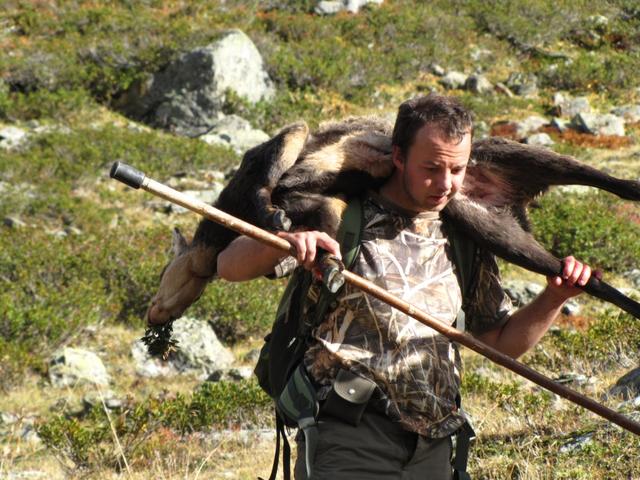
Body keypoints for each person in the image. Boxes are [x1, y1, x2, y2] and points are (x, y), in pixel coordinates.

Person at [216, 94, 594, 479]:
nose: (445, 184)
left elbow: (499, 342)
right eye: (431, 168)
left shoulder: (464, 234)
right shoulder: (339, 211)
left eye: (457, 169)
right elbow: (229, 266)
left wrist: (554, 297)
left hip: (434, 447)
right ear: (397, 156)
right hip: (348, 439)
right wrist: (287, 241)